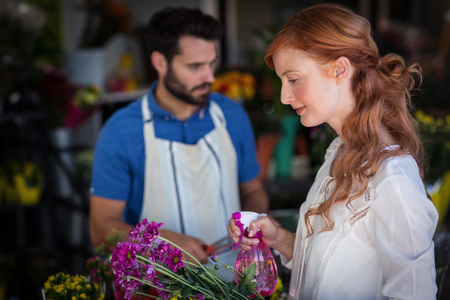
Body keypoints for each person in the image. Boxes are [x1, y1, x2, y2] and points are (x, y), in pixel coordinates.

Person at [228, 3, 438, 300]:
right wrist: (281, 239)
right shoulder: (338, 152)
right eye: (282, 81)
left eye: (293, 79)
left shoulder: (394, 179)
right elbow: (333, 267)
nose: (284, 97)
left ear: (340, 69)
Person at [89, 7, 269, 266]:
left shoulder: (232, 116)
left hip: (235, 283)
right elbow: (100, 229)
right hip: (157, 288)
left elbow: (252, 189)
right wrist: (158, 242)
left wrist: (253, 222)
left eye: (212, 63)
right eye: (195, 66)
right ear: (160, 63)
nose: (209, 77)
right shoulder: (121, 132)